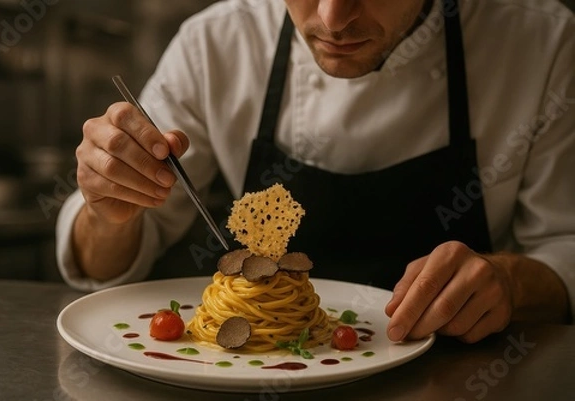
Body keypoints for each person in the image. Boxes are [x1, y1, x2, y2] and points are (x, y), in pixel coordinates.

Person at [56, 0, 575, 344]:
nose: (331, 18)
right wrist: (106, 212)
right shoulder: (215, 44)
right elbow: (109, 258)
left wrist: (513, 281)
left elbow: (565, 245)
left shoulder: (543, 44)